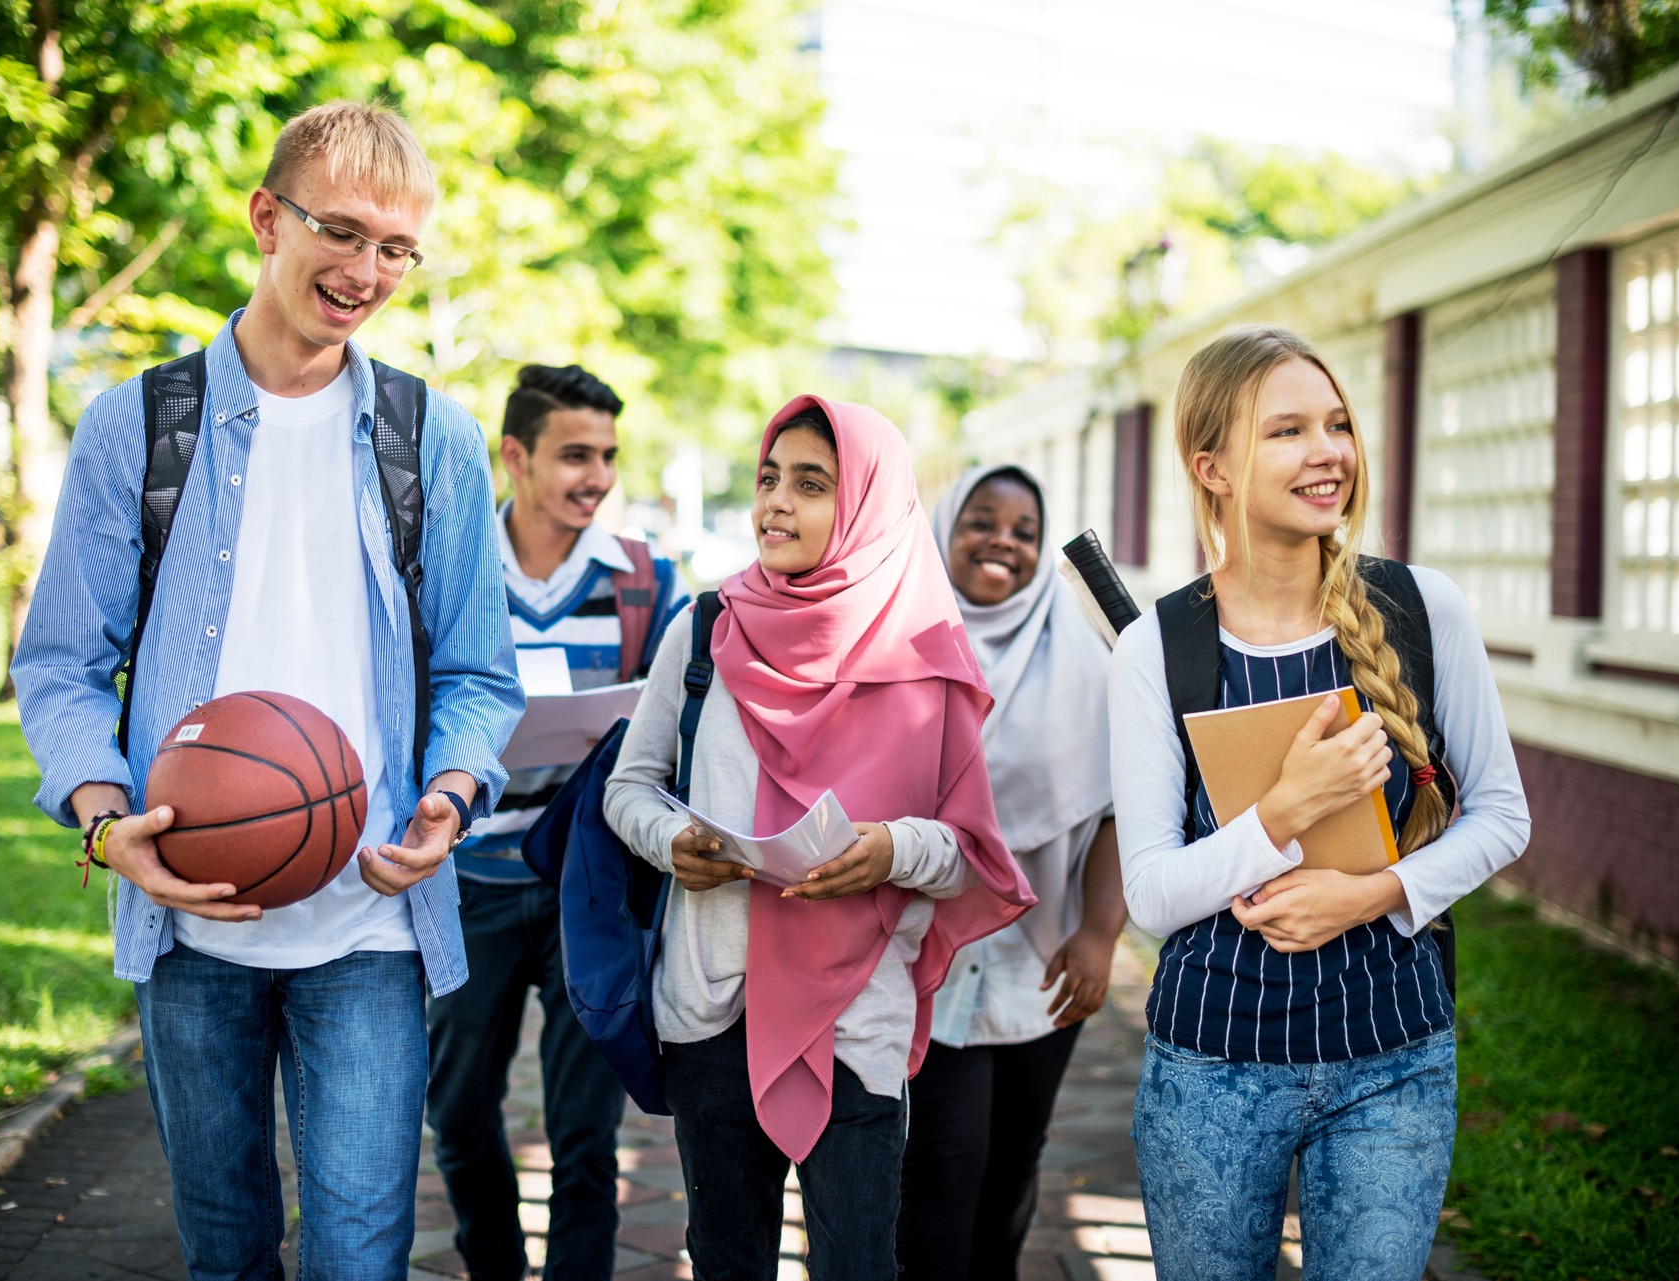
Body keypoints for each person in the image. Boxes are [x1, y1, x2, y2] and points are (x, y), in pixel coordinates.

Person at [11, 101, 522, 1281]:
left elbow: (481, 674)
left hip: (367, 926)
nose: (366, 272)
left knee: (361, 1257)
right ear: (265, 218)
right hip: (191, 918)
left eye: (397, 248)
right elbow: (61, 665)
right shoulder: (136, 426)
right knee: (227, 1252)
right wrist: (103, 819)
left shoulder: (430, 436)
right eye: (342, 233)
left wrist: (449, 790)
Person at [1108, 326, 1530, 1280]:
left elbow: (1504, 815)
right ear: (1210, 466)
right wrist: (1286, 810)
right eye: (1288, 430)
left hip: (1394, 1058)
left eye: (1336, 423)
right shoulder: (1157, 647)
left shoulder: (1424, 609)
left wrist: (1370, 894)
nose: (1328, 451)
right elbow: (1152, 895)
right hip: (1211, 1067)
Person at [602, 396, 1035, 1281]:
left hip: (856, 1019)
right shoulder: (705, 626)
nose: (775, 504)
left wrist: (888, 849)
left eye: (810, 484)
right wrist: (671, 840)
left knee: (858, 1262)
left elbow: (966, 852)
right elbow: (628, 786)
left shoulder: (927, 655)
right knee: (726, 1258)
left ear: (869, 503)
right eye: (768, 478)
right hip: (711, 1005)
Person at [425, 362, 684, 1281]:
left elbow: (678, 721)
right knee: (455, 1108)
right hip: (468, 879)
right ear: (516, 457)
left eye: (608, 455)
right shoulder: (447, 574)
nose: (598, 476)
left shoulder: (647, 582)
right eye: (576, 454)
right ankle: (493, 1263)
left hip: (589, 887)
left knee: (587, 1132)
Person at [896, 464, 1125, 1280]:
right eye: (981, 520)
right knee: (938, 1177)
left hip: (1043, 966)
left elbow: (1116, 812)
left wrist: (1099, 934)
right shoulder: (898, 645)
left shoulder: (1093, 663)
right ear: (943, 530)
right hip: (925, 962)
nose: (1003, 541)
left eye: (1025, 531)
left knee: (1010, 1178)